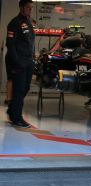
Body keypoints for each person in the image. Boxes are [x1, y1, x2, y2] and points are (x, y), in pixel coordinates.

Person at [6, 0, 35, 128]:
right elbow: (10, 45)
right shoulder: (14, 23)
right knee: (19, 90)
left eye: (31, 7)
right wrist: (17, 61)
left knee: (26, 88)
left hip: (29, 61)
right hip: (19, 62)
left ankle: (12, 110)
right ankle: (17, 118)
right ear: (21, 7)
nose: (30, 9)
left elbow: (30, 41)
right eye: (28, 7)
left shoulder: (28, 22)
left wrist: (33, 56)